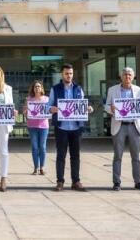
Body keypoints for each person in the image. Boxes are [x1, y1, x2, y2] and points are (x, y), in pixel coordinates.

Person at [48, 64, 93, 192]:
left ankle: (76, 181)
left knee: (75, 155)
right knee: (61, 155)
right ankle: (60, 181)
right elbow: (48, 106)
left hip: (76, 127)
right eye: (67, 73)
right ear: (62, 74)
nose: (69, 75)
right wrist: (52, 109)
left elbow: (83, 104)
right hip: (61, 127)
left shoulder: (78, 88)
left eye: (71, 73)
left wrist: (88, 108)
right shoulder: (55, 89)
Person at [105, 67, 140, 191]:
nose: (127, 77)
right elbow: (106, 106)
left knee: (136, 156)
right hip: (119, 125)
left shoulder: (138, 90)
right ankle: (116, 182)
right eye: (125, 75)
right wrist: (111, 109)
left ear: (133, 76)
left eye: (130, 75)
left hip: (134, 126)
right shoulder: (112, 90)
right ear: (121, 76)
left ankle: (138, 181)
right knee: (117, 156)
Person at [23, 80, 49, 175]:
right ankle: (36, 168)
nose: (37, 88)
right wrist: (26, 112)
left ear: (42, 88)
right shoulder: (29, 99)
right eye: (35, 87)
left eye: (39, 86)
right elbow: (25, 112)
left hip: (43, 126)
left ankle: (42, 167)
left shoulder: (46, 99)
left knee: (42, 147)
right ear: (33, 89)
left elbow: (50, 111)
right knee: (34, 147)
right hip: (32, 126)